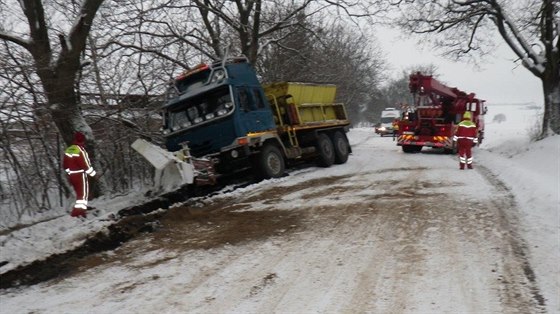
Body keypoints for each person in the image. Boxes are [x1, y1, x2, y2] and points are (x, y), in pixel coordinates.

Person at [63, 132, 96, 217]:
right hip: (80, 175)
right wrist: (93, 174)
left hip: (72, 176)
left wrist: (69, 173)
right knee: (82, 195)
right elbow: (84, 165)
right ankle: (77, 213)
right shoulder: (80, 150)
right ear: (82, 140)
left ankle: (81, 210)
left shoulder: (69, 149)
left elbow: (65, 165)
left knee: (79, 194)